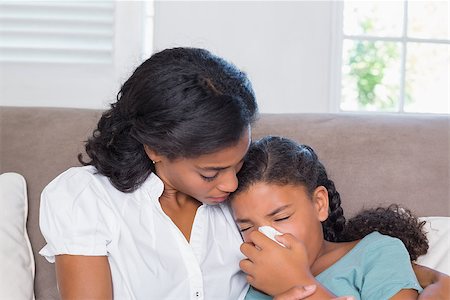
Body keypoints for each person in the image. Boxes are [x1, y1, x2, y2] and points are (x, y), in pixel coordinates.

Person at [39, 47, 447, 300]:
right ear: (156, 149)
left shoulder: (236, 204)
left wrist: (436, 282)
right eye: (211, 171)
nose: (231, 184)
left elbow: (352, 259)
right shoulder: (87, 199)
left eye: (237, 164)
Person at [229, 136, 449, 300]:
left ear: (319, 204)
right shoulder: (249, 281)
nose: (266, 237)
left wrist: (297, 283)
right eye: (247, 227)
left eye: (281, 217)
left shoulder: (375, 253)